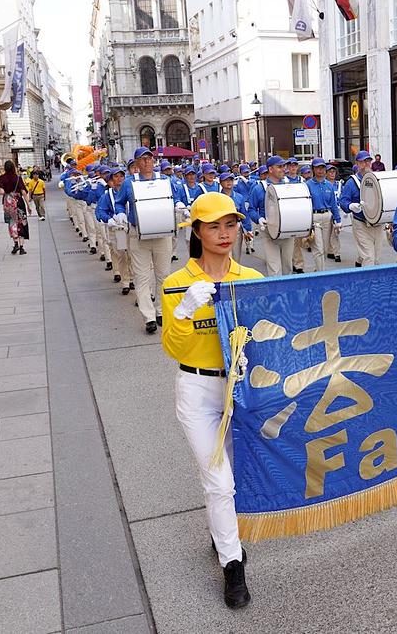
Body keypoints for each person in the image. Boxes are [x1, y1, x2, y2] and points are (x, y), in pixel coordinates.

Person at [160, 191, 262, 610]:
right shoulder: (175, 284)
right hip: (198, 391)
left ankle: (222, 533)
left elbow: (271, 334)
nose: (224, 234)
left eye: (231, 224)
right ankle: (232, 565)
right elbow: (174, 348)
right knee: (219, 482)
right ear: (197, 232)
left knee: (233, 482)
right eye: (214, 226)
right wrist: (184, 311)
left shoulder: (252, 280)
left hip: (240, 388)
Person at [111, 146, 176, 333]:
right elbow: (119, 203)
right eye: (143, 159)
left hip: (162, 233)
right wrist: (120, 213)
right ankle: (148, 316)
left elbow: (175, 197)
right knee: (142, 276)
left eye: (149, 158)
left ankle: (161, 310)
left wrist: (178, 204)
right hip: (138, 234)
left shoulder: (165, 180)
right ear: (137, 163)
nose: (147, 162)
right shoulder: (130, 183)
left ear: (154, 161)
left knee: (164, 275)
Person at [248, 156, 294, 276]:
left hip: (287, 230)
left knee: (288, 266)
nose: (283, 169)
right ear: (270, 169)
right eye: (279, 167)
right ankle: (277, 294)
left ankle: (286, 293)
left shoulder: (288, 186)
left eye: (284, 166)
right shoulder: (259, 188)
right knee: (275, 268)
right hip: (269, 231)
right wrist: (259, 219)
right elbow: (252, 209)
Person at [339, 151, 386, 267]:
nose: (366, 164)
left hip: (378, 224)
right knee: (369, 257)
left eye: (368, 161)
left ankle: (360, 265)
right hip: (361, 224)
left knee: (376, 258)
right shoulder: (351, 182)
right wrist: (350, 206)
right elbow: (343, 201)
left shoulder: (377, 179)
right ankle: (369, 284)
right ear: (358, 164)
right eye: (363, 162)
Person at [97, 166, 135, 294]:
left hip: (131, 226)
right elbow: (100, 211)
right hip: (117, 228)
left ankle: (133, 279)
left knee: (133, 254)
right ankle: (125, 282)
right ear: (111, 180)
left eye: (121, 176)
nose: (119, 179)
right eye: (116, 176)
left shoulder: (131, 191)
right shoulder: (107, 195)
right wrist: (109, 219)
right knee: (122, 255)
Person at [304, 159, 341, 272]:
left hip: (327, 217)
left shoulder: (329, 185)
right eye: (317, 168)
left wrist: (337, 220)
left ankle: (318, 269)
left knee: (324, 249)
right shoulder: (307, 185)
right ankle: (322, 274)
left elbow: (333, 204)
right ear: (313, 169)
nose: (320, 170)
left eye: (322, 168)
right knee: (318, 248)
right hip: (314, 218)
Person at [0, 161, 32, 255]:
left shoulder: (0, 178)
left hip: (8, 203)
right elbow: (24, 192)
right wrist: (28, 205)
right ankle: (21, 247)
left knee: (12, 223)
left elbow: (1, 192)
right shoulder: (18, 178)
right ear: (13, 167)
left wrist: (6, 192)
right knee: (21, 222)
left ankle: (15, 243)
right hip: (18, 202)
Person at [326, 164, 343, 263]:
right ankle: (330, 250)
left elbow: (344, 196)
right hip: (327, 211)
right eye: (330, 172)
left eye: (334, 172)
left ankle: (337, 253)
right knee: (328, 233)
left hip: (338, 210)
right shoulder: (324, 184)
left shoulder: (339, 184)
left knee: (335, 233)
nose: (332, 173)